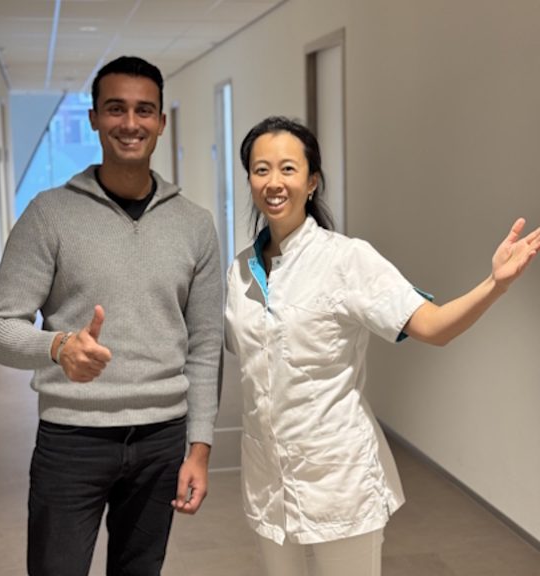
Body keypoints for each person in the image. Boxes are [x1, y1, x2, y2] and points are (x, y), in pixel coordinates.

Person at [224, 116, 540, 576]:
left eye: (288, 169)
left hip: (338, 479)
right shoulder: (238, 272)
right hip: (266, 480)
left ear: (312, 182)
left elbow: (433, 326)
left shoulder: (346, 259)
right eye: (261, 169)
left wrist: (495, 284)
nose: (274, 182)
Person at [0, 56, 223, 576]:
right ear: (93, 118)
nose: (130, 123)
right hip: (73, 438)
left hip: (162, 439)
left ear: (161, 121)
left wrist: (199, 448)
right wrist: (57, 347)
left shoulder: (195, 225)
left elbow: (205, 346)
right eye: (115, 109)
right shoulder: (49, 214)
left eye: (144, 110)